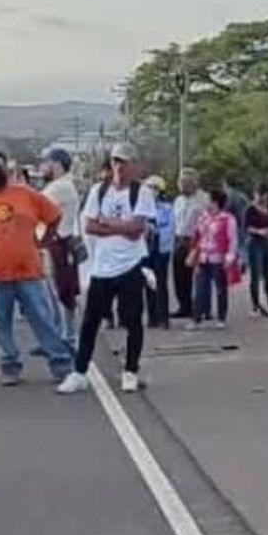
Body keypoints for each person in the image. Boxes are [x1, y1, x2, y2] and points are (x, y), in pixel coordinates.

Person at [0, 152, 73, 385]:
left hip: (29, 272)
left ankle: (60, 364)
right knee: (1, 323)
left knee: (43, 319)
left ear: (7, 171)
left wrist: (45, 239)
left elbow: (54, 216)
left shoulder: (26, 195)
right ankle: (9, 365)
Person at [57, 143, 156, 395]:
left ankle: (130, 371)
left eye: (124, 162)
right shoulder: (98, 191)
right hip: (103, 267)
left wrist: (108, 222)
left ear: (133, 165)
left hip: (130, 265)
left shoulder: (142, 192)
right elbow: (90, 226)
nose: (119, 167)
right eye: (115, 161)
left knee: (132, 320)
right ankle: (79, 372)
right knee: (90, 321)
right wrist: (121, 226)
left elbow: (137, 229)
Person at [38, 147, 83, 349]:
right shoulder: (58, 186)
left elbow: (36, 208)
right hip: (57, 242)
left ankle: (66, 335)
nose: (42, 167)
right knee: (56, 290)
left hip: (58, 243)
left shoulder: (60, 187)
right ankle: (61, 334)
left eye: (45, 163)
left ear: (56, 164)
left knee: (60, 290)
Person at [189, 189, 239, 329]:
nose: (206, 203)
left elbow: (232, 239)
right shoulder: (203, 218)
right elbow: (197, 236)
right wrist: (194, 252)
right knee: (200, 289)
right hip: (203, 257)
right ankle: (196, 318)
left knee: (220, 288)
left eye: (209, 200)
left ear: (216, 202)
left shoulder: (228, 219)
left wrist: (230, 255)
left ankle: (221, 318)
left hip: (219, 258)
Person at [170, 168, 207, 321]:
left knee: (199, 277)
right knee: (179, 277)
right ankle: (184, 306)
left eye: (184, 182)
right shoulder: (178, 201)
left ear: (194, 183)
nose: (181, 185)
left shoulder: (204, 199)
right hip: (179, 239)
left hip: (195, 240)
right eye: (180, 182)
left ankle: (202, 308)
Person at [246, 186, 268, 317]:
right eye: (259, 195)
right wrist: (259, 231)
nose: (261, 198)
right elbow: (246, 227)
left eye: (264, 195)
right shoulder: (250, 209)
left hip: (267, 243)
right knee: (255, 275)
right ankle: (255, 305)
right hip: (254, 243)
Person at [145, 175, 175, 330]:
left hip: (161, 248)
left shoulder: (167, 208)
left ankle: (164, 318)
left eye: (154, 188)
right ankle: (152, 317)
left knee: (161, 282)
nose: (151, 191)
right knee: (149, 282)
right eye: (148, 188)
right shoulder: (141, 208)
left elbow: (170, 228)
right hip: (145, 249)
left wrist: (157, 231)